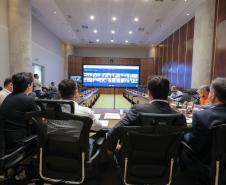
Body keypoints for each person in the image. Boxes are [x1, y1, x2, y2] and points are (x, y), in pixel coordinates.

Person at [105, 76, 187, 152]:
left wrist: (111, 151)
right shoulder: (179, 117)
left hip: (134, 159)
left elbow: (113, 133)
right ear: (168, 93)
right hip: (167, 163)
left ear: (149, 93)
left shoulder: (137, 110)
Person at [182, 78, 226, 184]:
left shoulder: (201, 116)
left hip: (208, 163)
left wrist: (184, 135)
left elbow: (194, 143)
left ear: (213, 95)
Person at [0, 72, 38, 147]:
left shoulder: (8, 97)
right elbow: (37, 119)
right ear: (29, 86)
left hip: (4, 138)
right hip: (17, 140)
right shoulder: (28, 99)